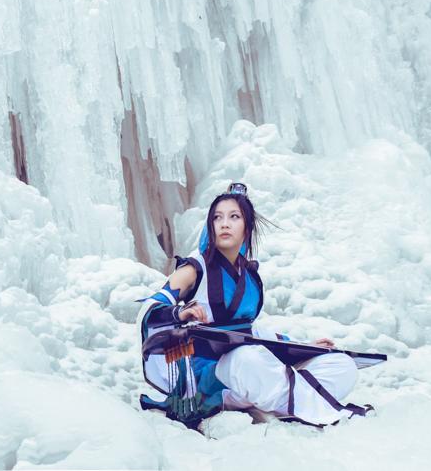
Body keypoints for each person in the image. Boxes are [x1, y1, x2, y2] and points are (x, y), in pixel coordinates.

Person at [137, 182, 362, 427]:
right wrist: (180, 312)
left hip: (250, 368)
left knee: (342, 364)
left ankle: (268, 401)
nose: (224, 224)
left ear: (247, 226)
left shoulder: (251, 276)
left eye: (234, 217)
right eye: (217, 217)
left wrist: (304, 347)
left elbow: (251, 331)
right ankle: (306, 407)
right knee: (247, 359)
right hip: (209, 375)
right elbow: (150, 310)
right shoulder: (194, 269)